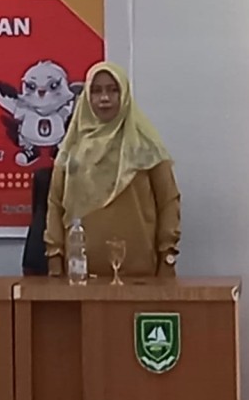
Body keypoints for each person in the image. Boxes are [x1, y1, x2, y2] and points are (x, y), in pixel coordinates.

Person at [44, 62, 181, 277]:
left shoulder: (146, 146)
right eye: (96, 91)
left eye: (112, 90)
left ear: (124, 95)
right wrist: (54, 256)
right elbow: (55, 204)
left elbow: (168, 202)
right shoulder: (72, 149)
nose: (104, 98)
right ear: (87, 97)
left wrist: (168, 254)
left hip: (139, 274)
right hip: (80, 274)